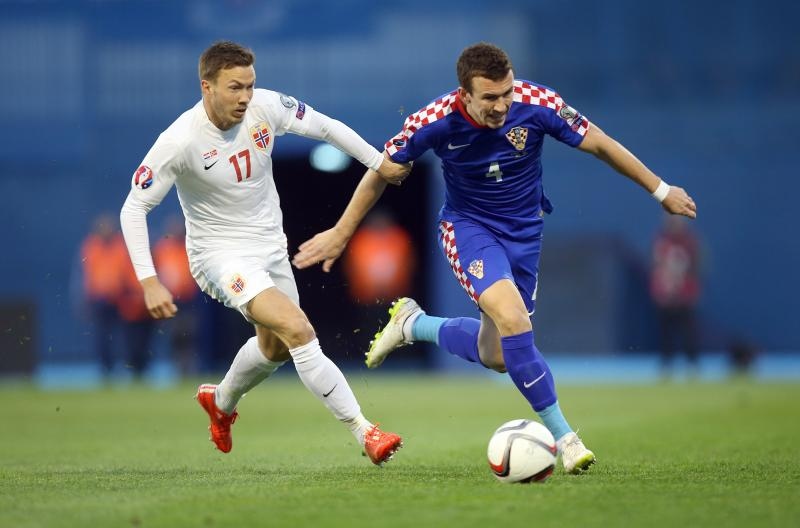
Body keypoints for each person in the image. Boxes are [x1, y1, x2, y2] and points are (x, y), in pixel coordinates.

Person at [293, 42, 697, 474]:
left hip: (525, 234)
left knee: (498, 356)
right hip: (469, 229)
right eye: (490, 97)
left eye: (506, 92)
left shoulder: (537, 103)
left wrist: (661, 190)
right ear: (463, 94)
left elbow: (600, 144)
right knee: (514, 320)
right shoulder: (434, 121)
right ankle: (566, 437)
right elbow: (382, 172)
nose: (502, 105)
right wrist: (342, 230)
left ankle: (414, 324)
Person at [119, 40, 409, 464]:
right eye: (235, 87)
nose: (245, 97)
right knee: (299, 330)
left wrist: (377, 161)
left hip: (270, 247)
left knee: (274, 349)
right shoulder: (179, 140)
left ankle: (220, 401)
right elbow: (134, 207)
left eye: (250, 86)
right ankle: (366, 432)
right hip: (220, 257)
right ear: (207, 86)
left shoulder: (266, 107)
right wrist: (148, 279)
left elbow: (326, 127)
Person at [78, 213, 129, 378]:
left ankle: (122, 366)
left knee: (121, 335)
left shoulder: (121, 245)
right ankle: (105, 368)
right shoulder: (91, 246)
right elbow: (83, 275)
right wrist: (84, 299)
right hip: (99, 299)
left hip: (119, 298)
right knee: (102, 336)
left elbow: (126, 271)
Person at [650, 214, 701, 377]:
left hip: (684, 296)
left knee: (688, 333)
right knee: (666, 334)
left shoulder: (690, 242)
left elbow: (696, 269)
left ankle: (692, 364)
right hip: (666, 297)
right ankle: (666, 365)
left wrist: (691, 291)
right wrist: (659, 290)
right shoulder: (661, 243)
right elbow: (656, 268)